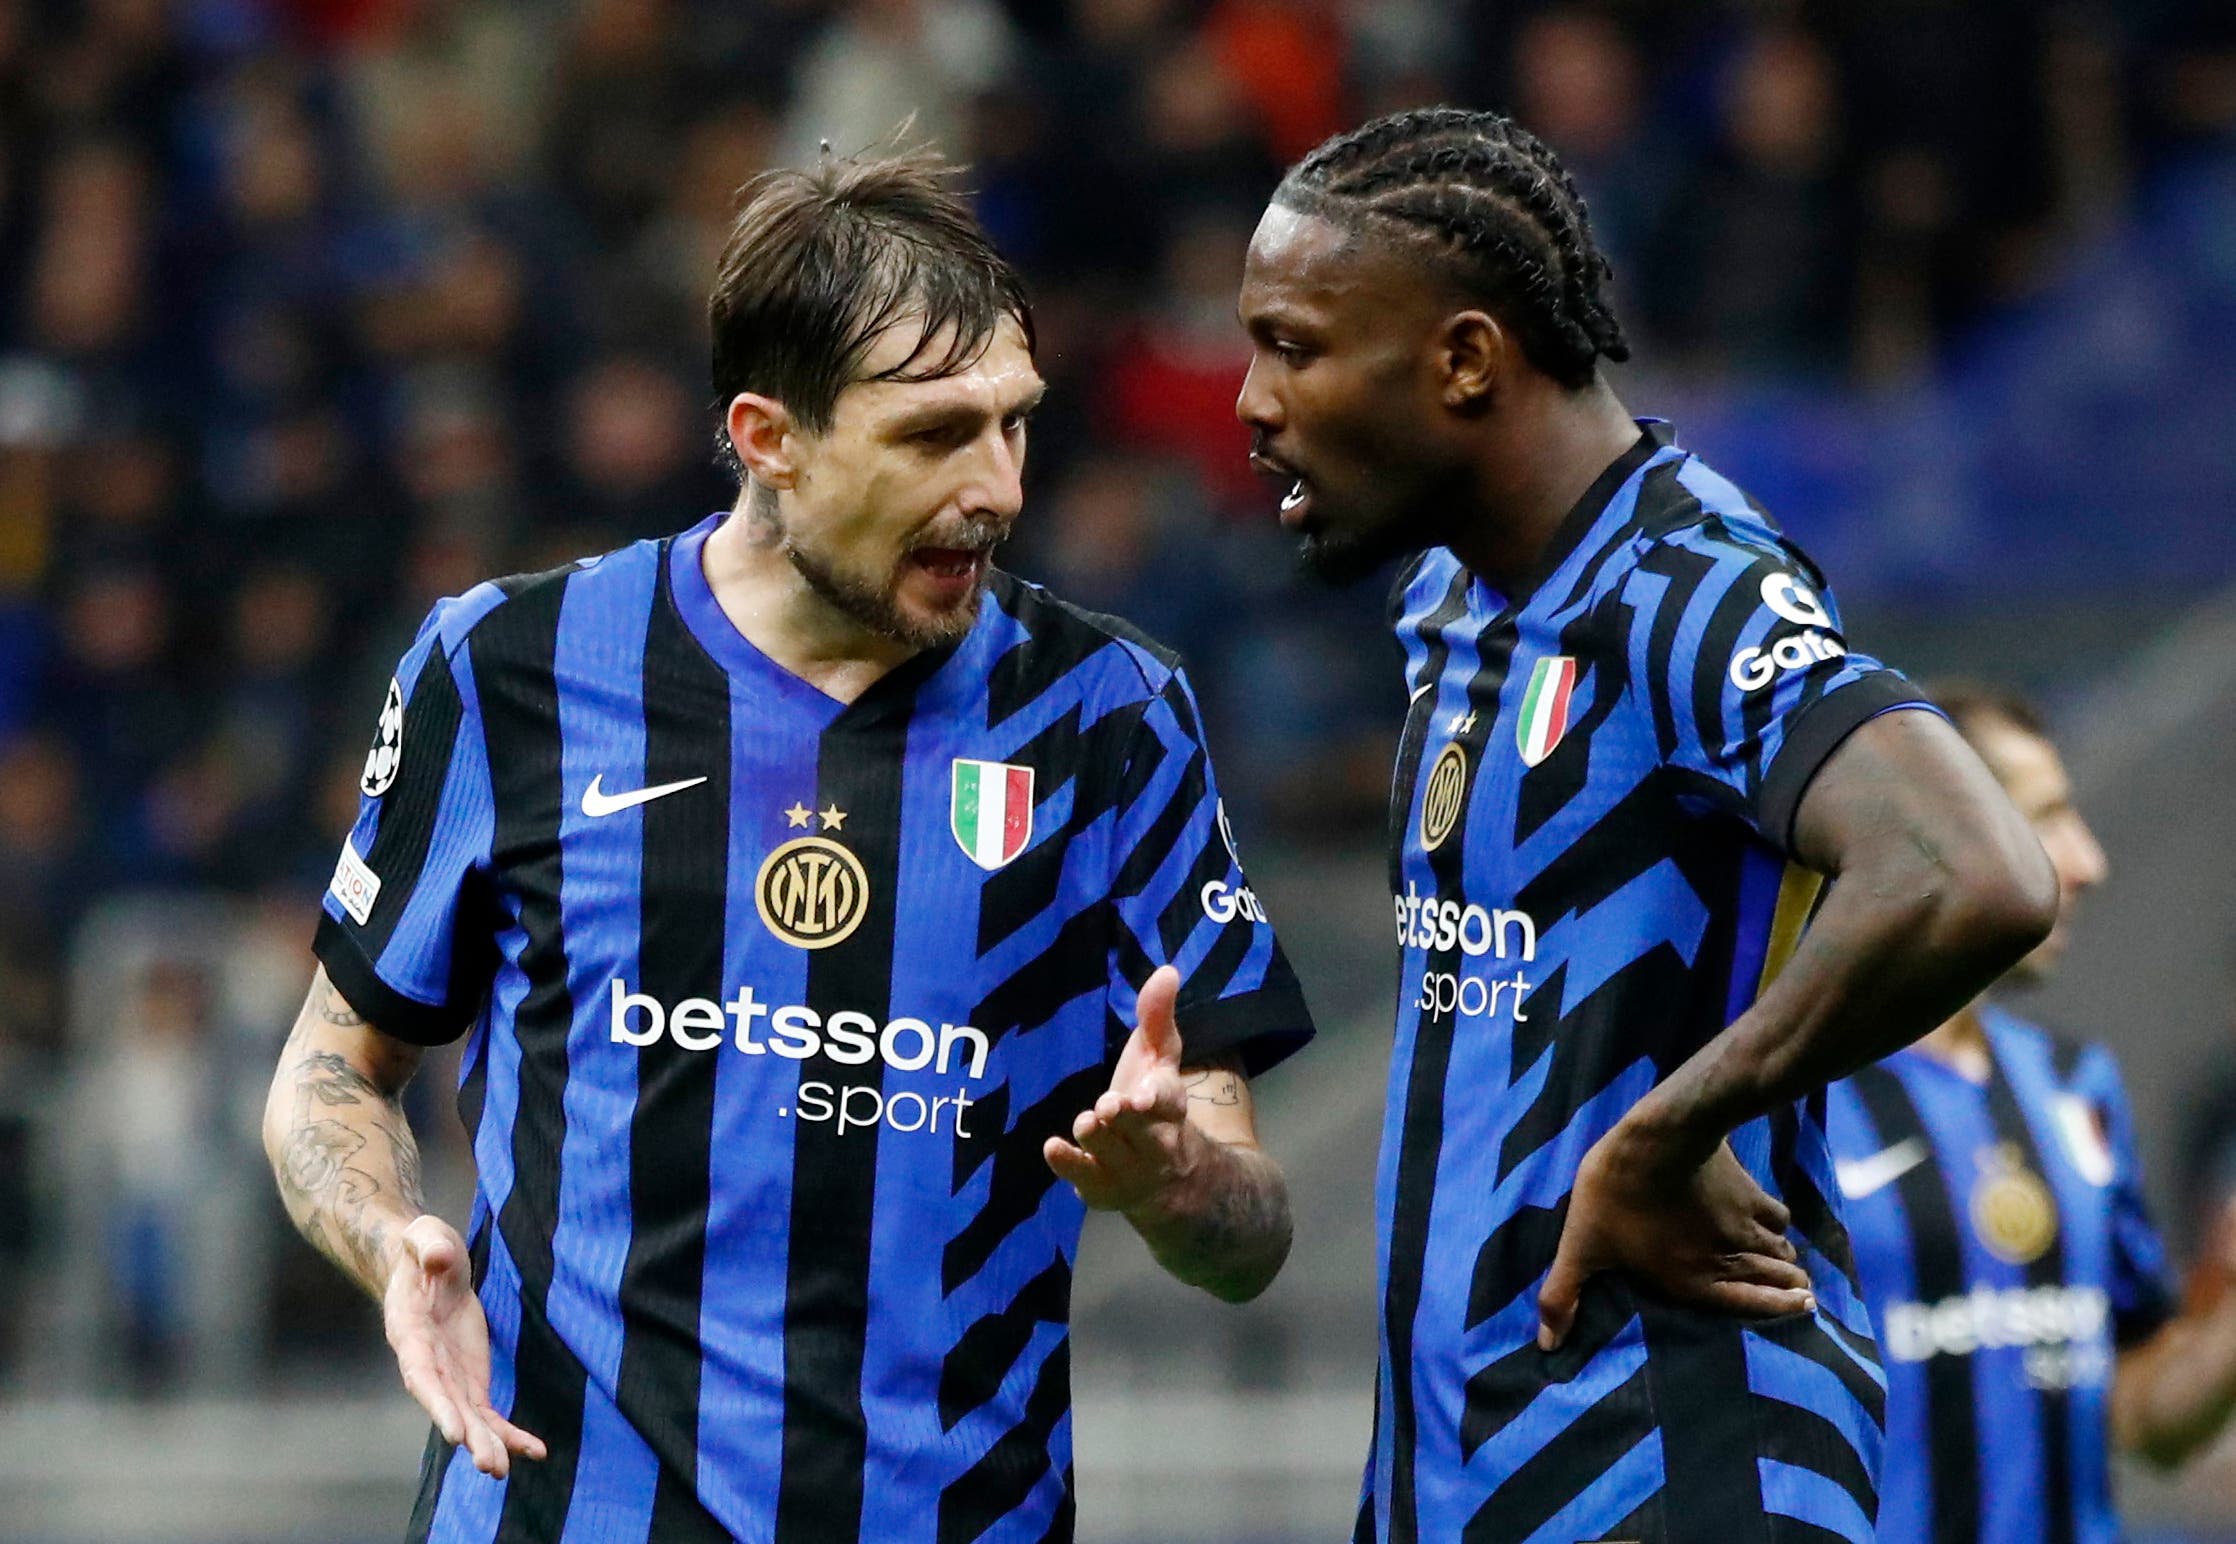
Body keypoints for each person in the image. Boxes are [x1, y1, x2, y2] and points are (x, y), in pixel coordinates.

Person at [262, 148, 1315, 1544]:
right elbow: (330, 1070)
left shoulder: (1109, 719)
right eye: (936, 436)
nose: (997, 487)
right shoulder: (509, 670)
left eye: (1015, 425)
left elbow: (1251, 1238)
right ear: (769, 438)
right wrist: (390, 1242)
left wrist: (1182, 1185)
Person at [1232, 107, 2056, 1543]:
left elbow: (1967, 868)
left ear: (1466, 360)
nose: (1249, 398)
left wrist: (1663, 1139)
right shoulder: (1451, 603)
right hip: (1461, 1463)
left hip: (1680, 1457)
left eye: (1292, 346)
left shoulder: (1687, 584)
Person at [1829, 682, 2236, 1542]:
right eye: (2045, 820)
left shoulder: (2073, 1086)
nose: (2088, 862)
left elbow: (2140, 1420)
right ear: (1941, 839)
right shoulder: (1793, 1101)